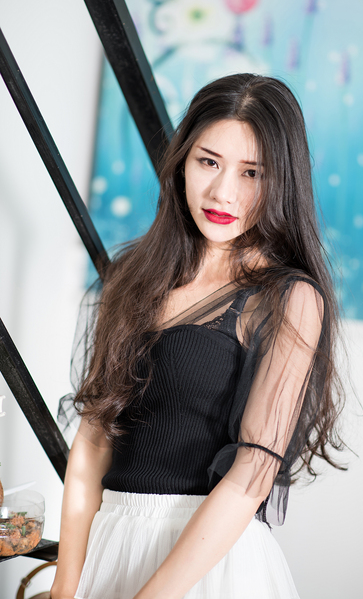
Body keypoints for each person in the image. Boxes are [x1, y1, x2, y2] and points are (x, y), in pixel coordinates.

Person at [51, 73, 345, 599]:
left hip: (208, 562)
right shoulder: (133, 276)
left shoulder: (288, 298)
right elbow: (92, 441)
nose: (222, 192)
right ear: (182, 162)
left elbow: (251, 476)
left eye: (252, 172)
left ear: (282, 182)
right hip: (110, 542)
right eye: (208, 162)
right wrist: (65, 585)